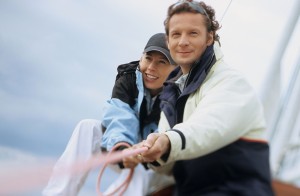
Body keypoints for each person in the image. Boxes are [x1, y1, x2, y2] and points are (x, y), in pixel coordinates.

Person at [137, 1, 275, 195]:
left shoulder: (232, 83)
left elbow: (207, 128)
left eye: (192, 33)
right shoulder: (170, 93)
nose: (183, 41)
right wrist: (149, 153)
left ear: (209, 37)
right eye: (176, 34)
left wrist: (167, 141)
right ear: (168, 41)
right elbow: (169, 166)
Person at [42, 33, 176, 196]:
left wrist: (143, 150)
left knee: (143, 163)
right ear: (141, 58)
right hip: (126, 150)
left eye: (162, 62)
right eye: (148, 58)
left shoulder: (179, 93)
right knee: (88, 127)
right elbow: (119, 115)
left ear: (175, 69)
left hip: (161, 164)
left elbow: (168, 132)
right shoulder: (128, 78)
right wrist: (121, 147)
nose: (151, 67)